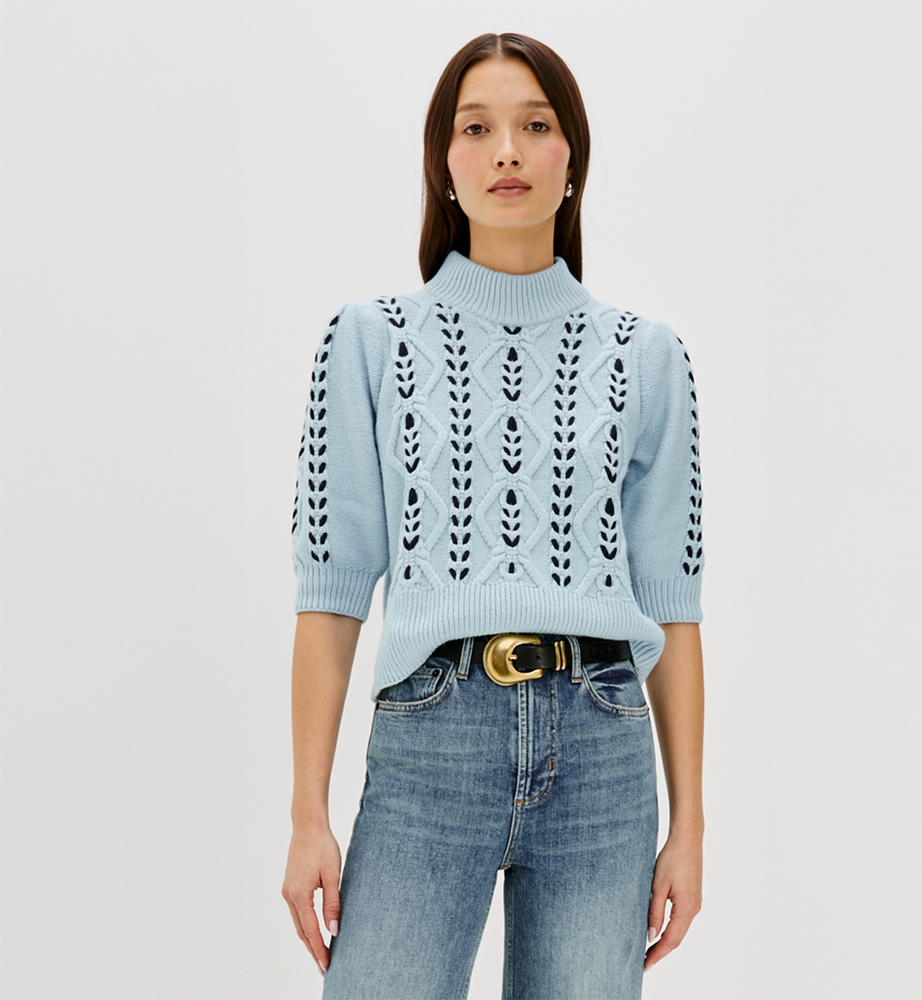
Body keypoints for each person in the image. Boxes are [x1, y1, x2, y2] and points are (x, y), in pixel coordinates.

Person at [281, 32, 705, 1000]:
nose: (507, 151)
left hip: (603, 744)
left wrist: (689, 825)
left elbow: (672, 607)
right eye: (476, 129)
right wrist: (308, 813)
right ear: (443, 163)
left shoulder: (647, 356)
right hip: (431, 740)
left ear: (573, 158)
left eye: (535, 125)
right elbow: (332, 594)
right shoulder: (369, 342)